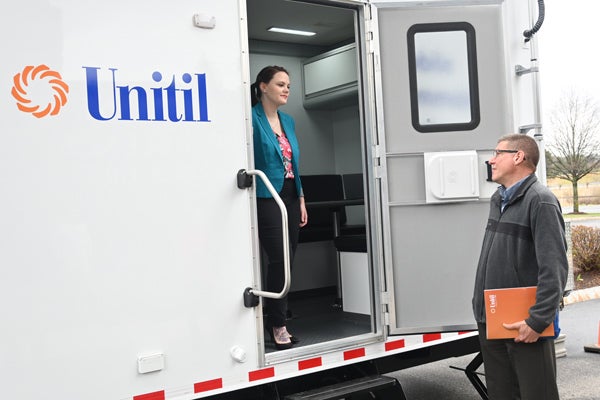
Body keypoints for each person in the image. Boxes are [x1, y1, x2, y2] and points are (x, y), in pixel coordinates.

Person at [472, 133, 569, 399]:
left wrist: (537, 321)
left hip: (526, 325)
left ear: (518, 157)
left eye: (498, 153)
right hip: (493, 321)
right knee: (502, 395)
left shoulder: (541, 201)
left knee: (538, 394)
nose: (491, 160)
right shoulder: (498, 200)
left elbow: (555, 267)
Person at [250, 66, 308, 350]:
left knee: (290, 258)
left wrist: (301, 197)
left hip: (289, 194)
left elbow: (294, 164)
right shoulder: (250, 118)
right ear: (263, 86)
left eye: (289, 85)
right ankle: (277, 323)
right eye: (280, 84)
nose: (286, 89)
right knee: (279, 260)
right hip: (265, 195)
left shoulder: (289, 121)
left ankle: (276, 317)